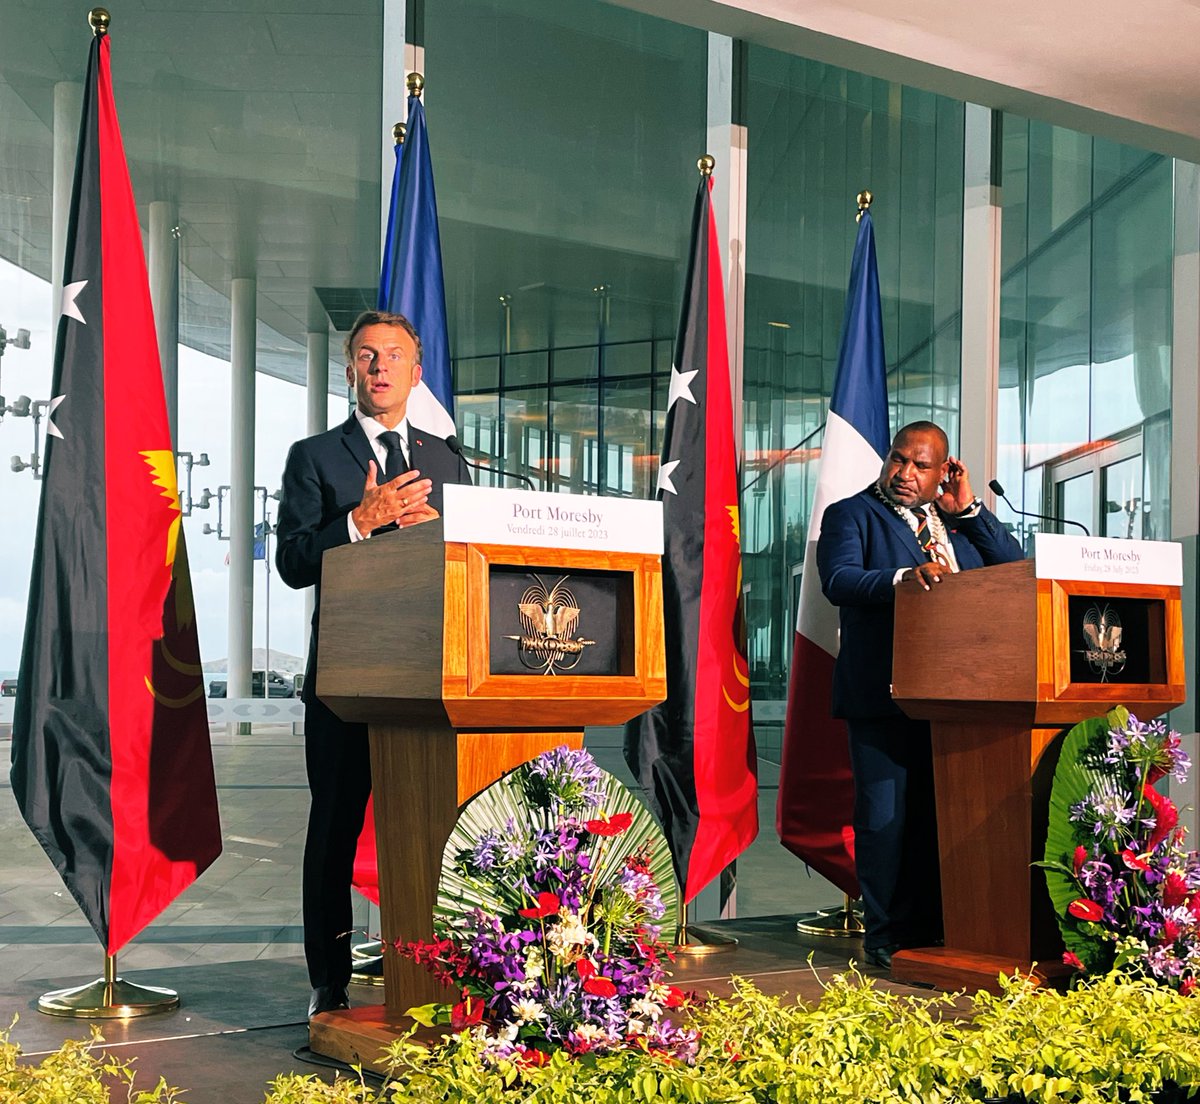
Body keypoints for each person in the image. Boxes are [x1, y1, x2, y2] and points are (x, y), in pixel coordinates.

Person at [275, 310, 471, 1018]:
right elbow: (294, 562)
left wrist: (440, 533)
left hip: (433, 678)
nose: (380, 367)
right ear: (351, 370)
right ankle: (329, 981)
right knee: (334, 828)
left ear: (416, 373)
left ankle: (434, 967)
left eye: (394, 356)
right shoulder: (315, 456)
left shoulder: (447, 461)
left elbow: (467, 561)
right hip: (346, 682)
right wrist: (360, 521)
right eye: (366, 355)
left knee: (433, 827)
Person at [816, 420, 1023, 970]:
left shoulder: (956, 523)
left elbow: (1016, 569)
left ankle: (941, 927)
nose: (905, 473)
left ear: (944, 473)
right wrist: (901, 577)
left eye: (921, 466)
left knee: (945, 817)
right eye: (899, 460)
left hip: (961, 701)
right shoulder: (851, 514)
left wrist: (970, 511)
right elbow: (837, 579)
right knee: (886, 820)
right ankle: (886, 934)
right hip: (884, 695)